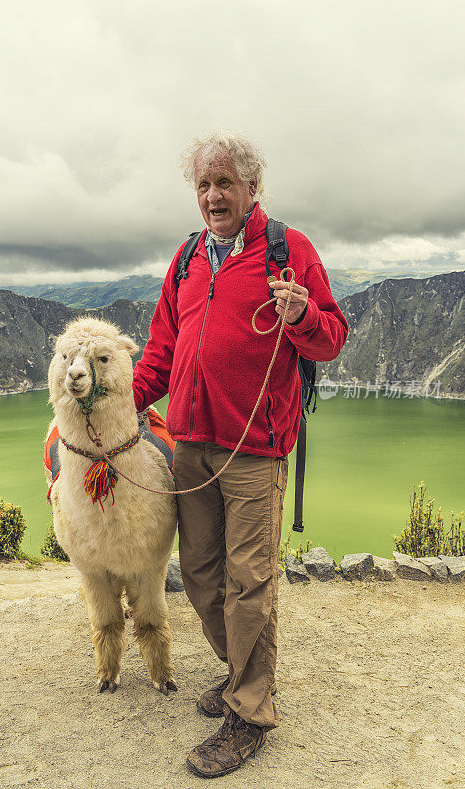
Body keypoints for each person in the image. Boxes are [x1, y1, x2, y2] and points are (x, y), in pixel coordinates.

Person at [132, 132, 348, 778]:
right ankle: (243, 677)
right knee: (200, 575)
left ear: (252, 188)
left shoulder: (288, 250)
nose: (212, 195)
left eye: (224, 182)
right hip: (191, 445)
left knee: (248, 585)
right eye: (203, 184)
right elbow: (161, 350)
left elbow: (330, 341)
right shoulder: (189, 256)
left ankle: (248, 714)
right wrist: (121, 405)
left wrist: (304, 316)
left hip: (255, 450)